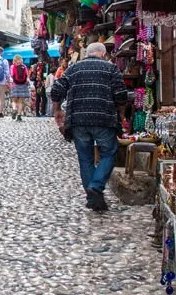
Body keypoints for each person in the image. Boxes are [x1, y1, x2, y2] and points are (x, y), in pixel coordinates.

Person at [49, 42, 129, 211]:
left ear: (87, 53)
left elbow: (56, 89)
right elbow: (121, 94)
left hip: (78, 121)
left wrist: (57, 110)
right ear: (103, 54)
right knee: (109, 153)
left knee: (85, 158)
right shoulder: (111, 68)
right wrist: (121, 114)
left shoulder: (74, 68)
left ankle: (92, 197)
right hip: (104, 119)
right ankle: (96, 186)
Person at [9, 55, 30, 120]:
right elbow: (27, 76)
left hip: (15, 85)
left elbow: (12, 76)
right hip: (23, 85)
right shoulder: (24, 66)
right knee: (21, 101)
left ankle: (14, 109)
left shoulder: (12, 66)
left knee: (14, 101)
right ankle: (19, 115)